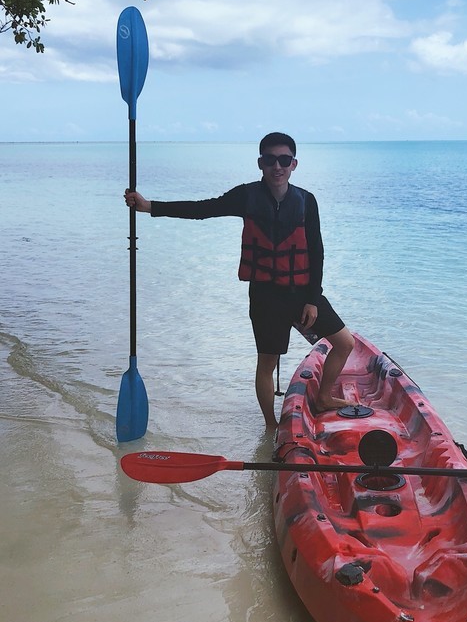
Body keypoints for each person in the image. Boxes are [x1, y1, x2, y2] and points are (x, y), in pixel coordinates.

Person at [124, 132, 355, 428]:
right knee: (267, 364)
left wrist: (312, 298)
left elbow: (317, 252)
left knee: (344, 343)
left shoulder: (307, 201)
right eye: (270, 160)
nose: (277, 166)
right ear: (260, 163)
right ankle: (271, 425)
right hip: (266, 296)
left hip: (301, 293)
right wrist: (150, 206)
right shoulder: (246, 196)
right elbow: (201, 210)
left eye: (284, 160)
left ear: (293, 164)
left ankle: (323, 398)